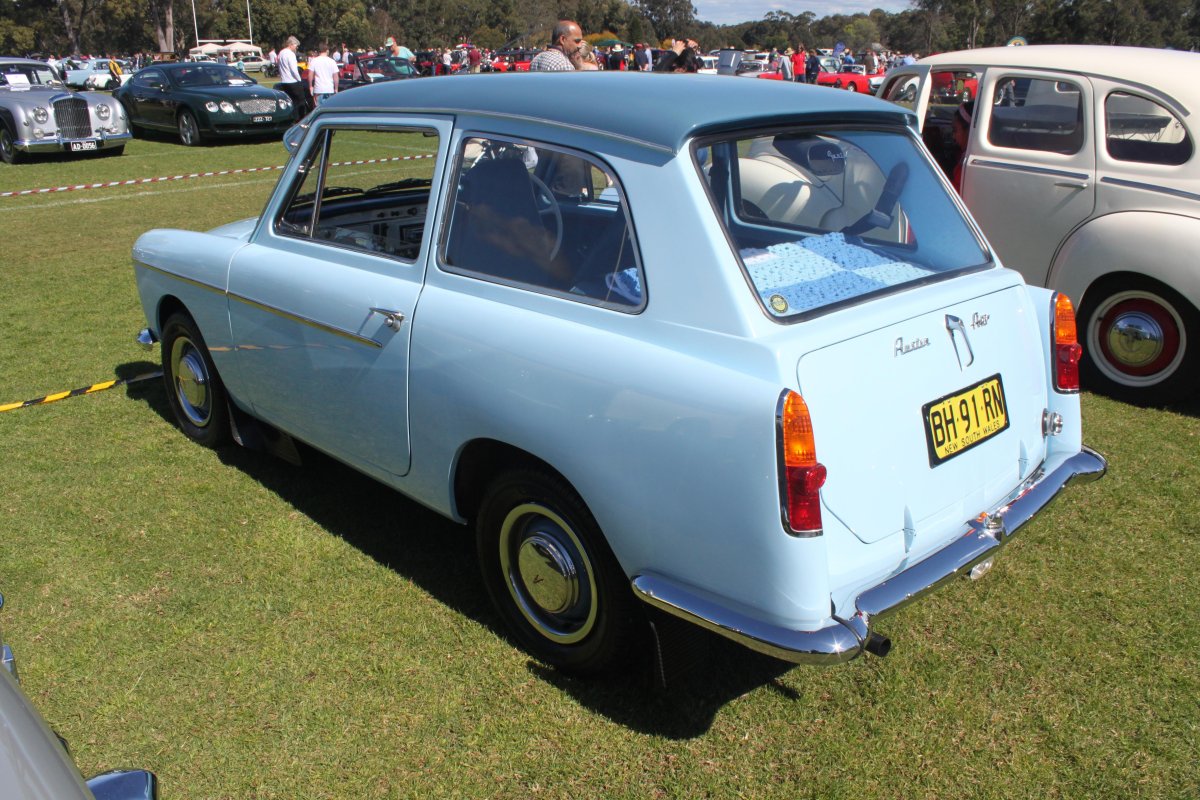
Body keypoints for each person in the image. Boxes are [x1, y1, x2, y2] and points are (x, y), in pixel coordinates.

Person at [276, 36, 312, 115]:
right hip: (293, 81)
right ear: (291, 44)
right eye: (296, 45)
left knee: (289, 101)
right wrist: (299, 79)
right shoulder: (290, 54)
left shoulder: (281, 53)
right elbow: (294, 70)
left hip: (284, 81)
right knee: (300, 102)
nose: (296, 47)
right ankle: (300, 118)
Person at [951, 100, 975, 193]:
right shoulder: (963, 155)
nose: (953, 136)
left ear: (969, 130)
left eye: (955, 130)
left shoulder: (968, 165)